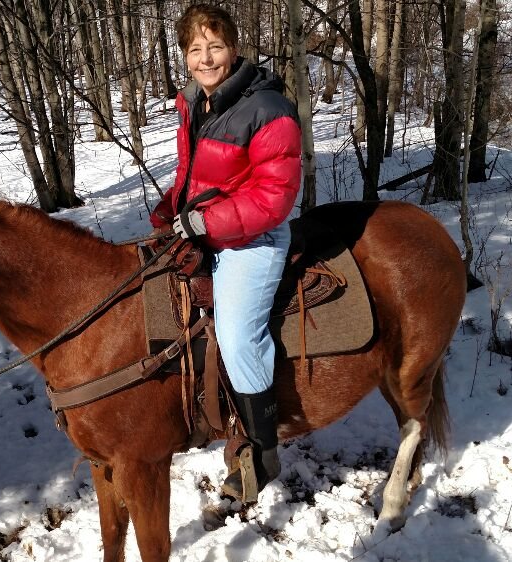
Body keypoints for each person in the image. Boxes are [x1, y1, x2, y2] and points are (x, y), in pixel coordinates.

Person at [149, 3, 302, 502]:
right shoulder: (194, 102)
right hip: (204, 232)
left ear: (234, 50)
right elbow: (196, 175)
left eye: (215, 47)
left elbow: (274, 197)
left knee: (237, 337)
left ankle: (263, 449)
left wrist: (205, 221)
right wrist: (171, 208)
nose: (206, 58)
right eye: (195, 49)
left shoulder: (269, 109)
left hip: (253, 240)